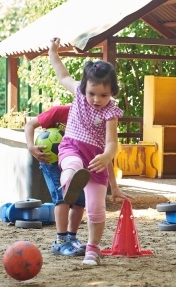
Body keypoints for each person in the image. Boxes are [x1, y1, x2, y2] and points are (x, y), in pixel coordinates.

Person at [48, 37, 123, 266]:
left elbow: (112, 142)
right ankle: (70, 185)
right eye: (92, 93)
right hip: (72, 147)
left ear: (112, 92)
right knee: (72, 165)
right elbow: (62, 75)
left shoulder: (111, 112)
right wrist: (53, 52)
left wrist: (107, 156)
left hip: (96, 160)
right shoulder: (79, 95)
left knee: (96, 209)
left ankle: (92, 249)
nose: (96, 99)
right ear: (84, 88)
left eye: (104, 95)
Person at [25, 105, 130, 256]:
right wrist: (31, 147)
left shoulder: (96, 121)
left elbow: (103, 156)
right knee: (62, 197)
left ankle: (72, 238)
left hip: (78, 162)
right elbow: (30, 125)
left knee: (79, 199)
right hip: (51, 161)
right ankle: (61, 241)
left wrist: (114, 186)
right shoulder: (60, 111)